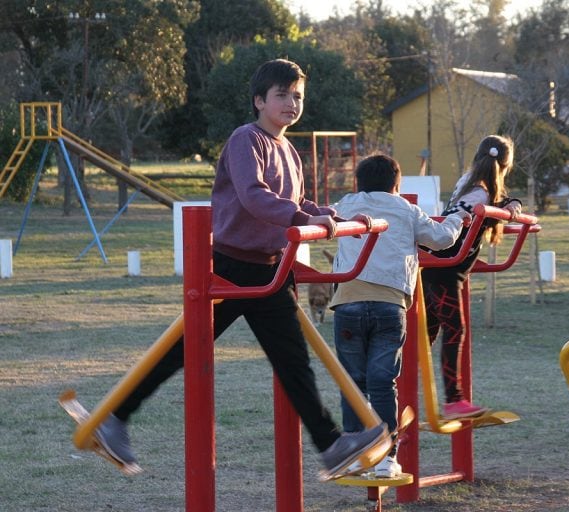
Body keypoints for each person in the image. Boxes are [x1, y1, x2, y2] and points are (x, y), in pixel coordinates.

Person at [95, 58, 387, 480]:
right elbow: (253, 196)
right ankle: (114, 418)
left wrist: (324, 215)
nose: (292, 103)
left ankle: (331, 445)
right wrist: (303, 220)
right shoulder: (245, 140)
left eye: (298, 96)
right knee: (185, 349)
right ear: (259, 101)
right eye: (282, 95)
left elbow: (296, 203)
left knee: (292, 359)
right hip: (231, 267)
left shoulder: (288, 149)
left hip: (270, 268)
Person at [330, 154, 470, 478]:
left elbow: (328, 222)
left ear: (358, 183)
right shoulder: (406, 210)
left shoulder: (347, 204)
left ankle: (354, 455)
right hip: (389, 307)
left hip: (348, 304)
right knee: (382, 383)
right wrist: (456, 220)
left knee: (353, 383)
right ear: (397, 185)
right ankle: (385, 458)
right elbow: (441, 240)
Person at [420, 135, 523, 419]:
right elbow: (493, 207)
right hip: (445, 270)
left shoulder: (471, 184)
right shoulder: (481, 193)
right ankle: (453, 400)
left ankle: (395, 384)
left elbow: (498, 204)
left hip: (439, 266)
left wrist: (509, 203)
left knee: (428, 332)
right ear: (505, 165)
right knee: (454, 329)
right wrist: (510, 206)